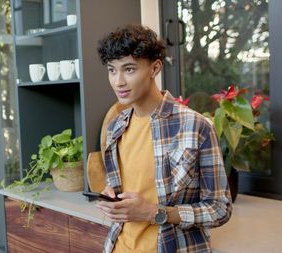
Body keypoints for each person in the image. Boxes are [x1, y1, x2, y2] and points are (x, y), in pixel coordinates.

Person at [95, 24, 232, 253]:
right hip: (118, 246)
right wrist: (111, 196)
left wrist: (153, 213)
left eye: (129, 69)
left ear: (155, 68)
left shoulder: (195, 127)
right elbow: (132, 183)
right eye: (112, 70)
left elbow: (220, 209)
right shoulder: (115, 127)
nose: (118, 81)